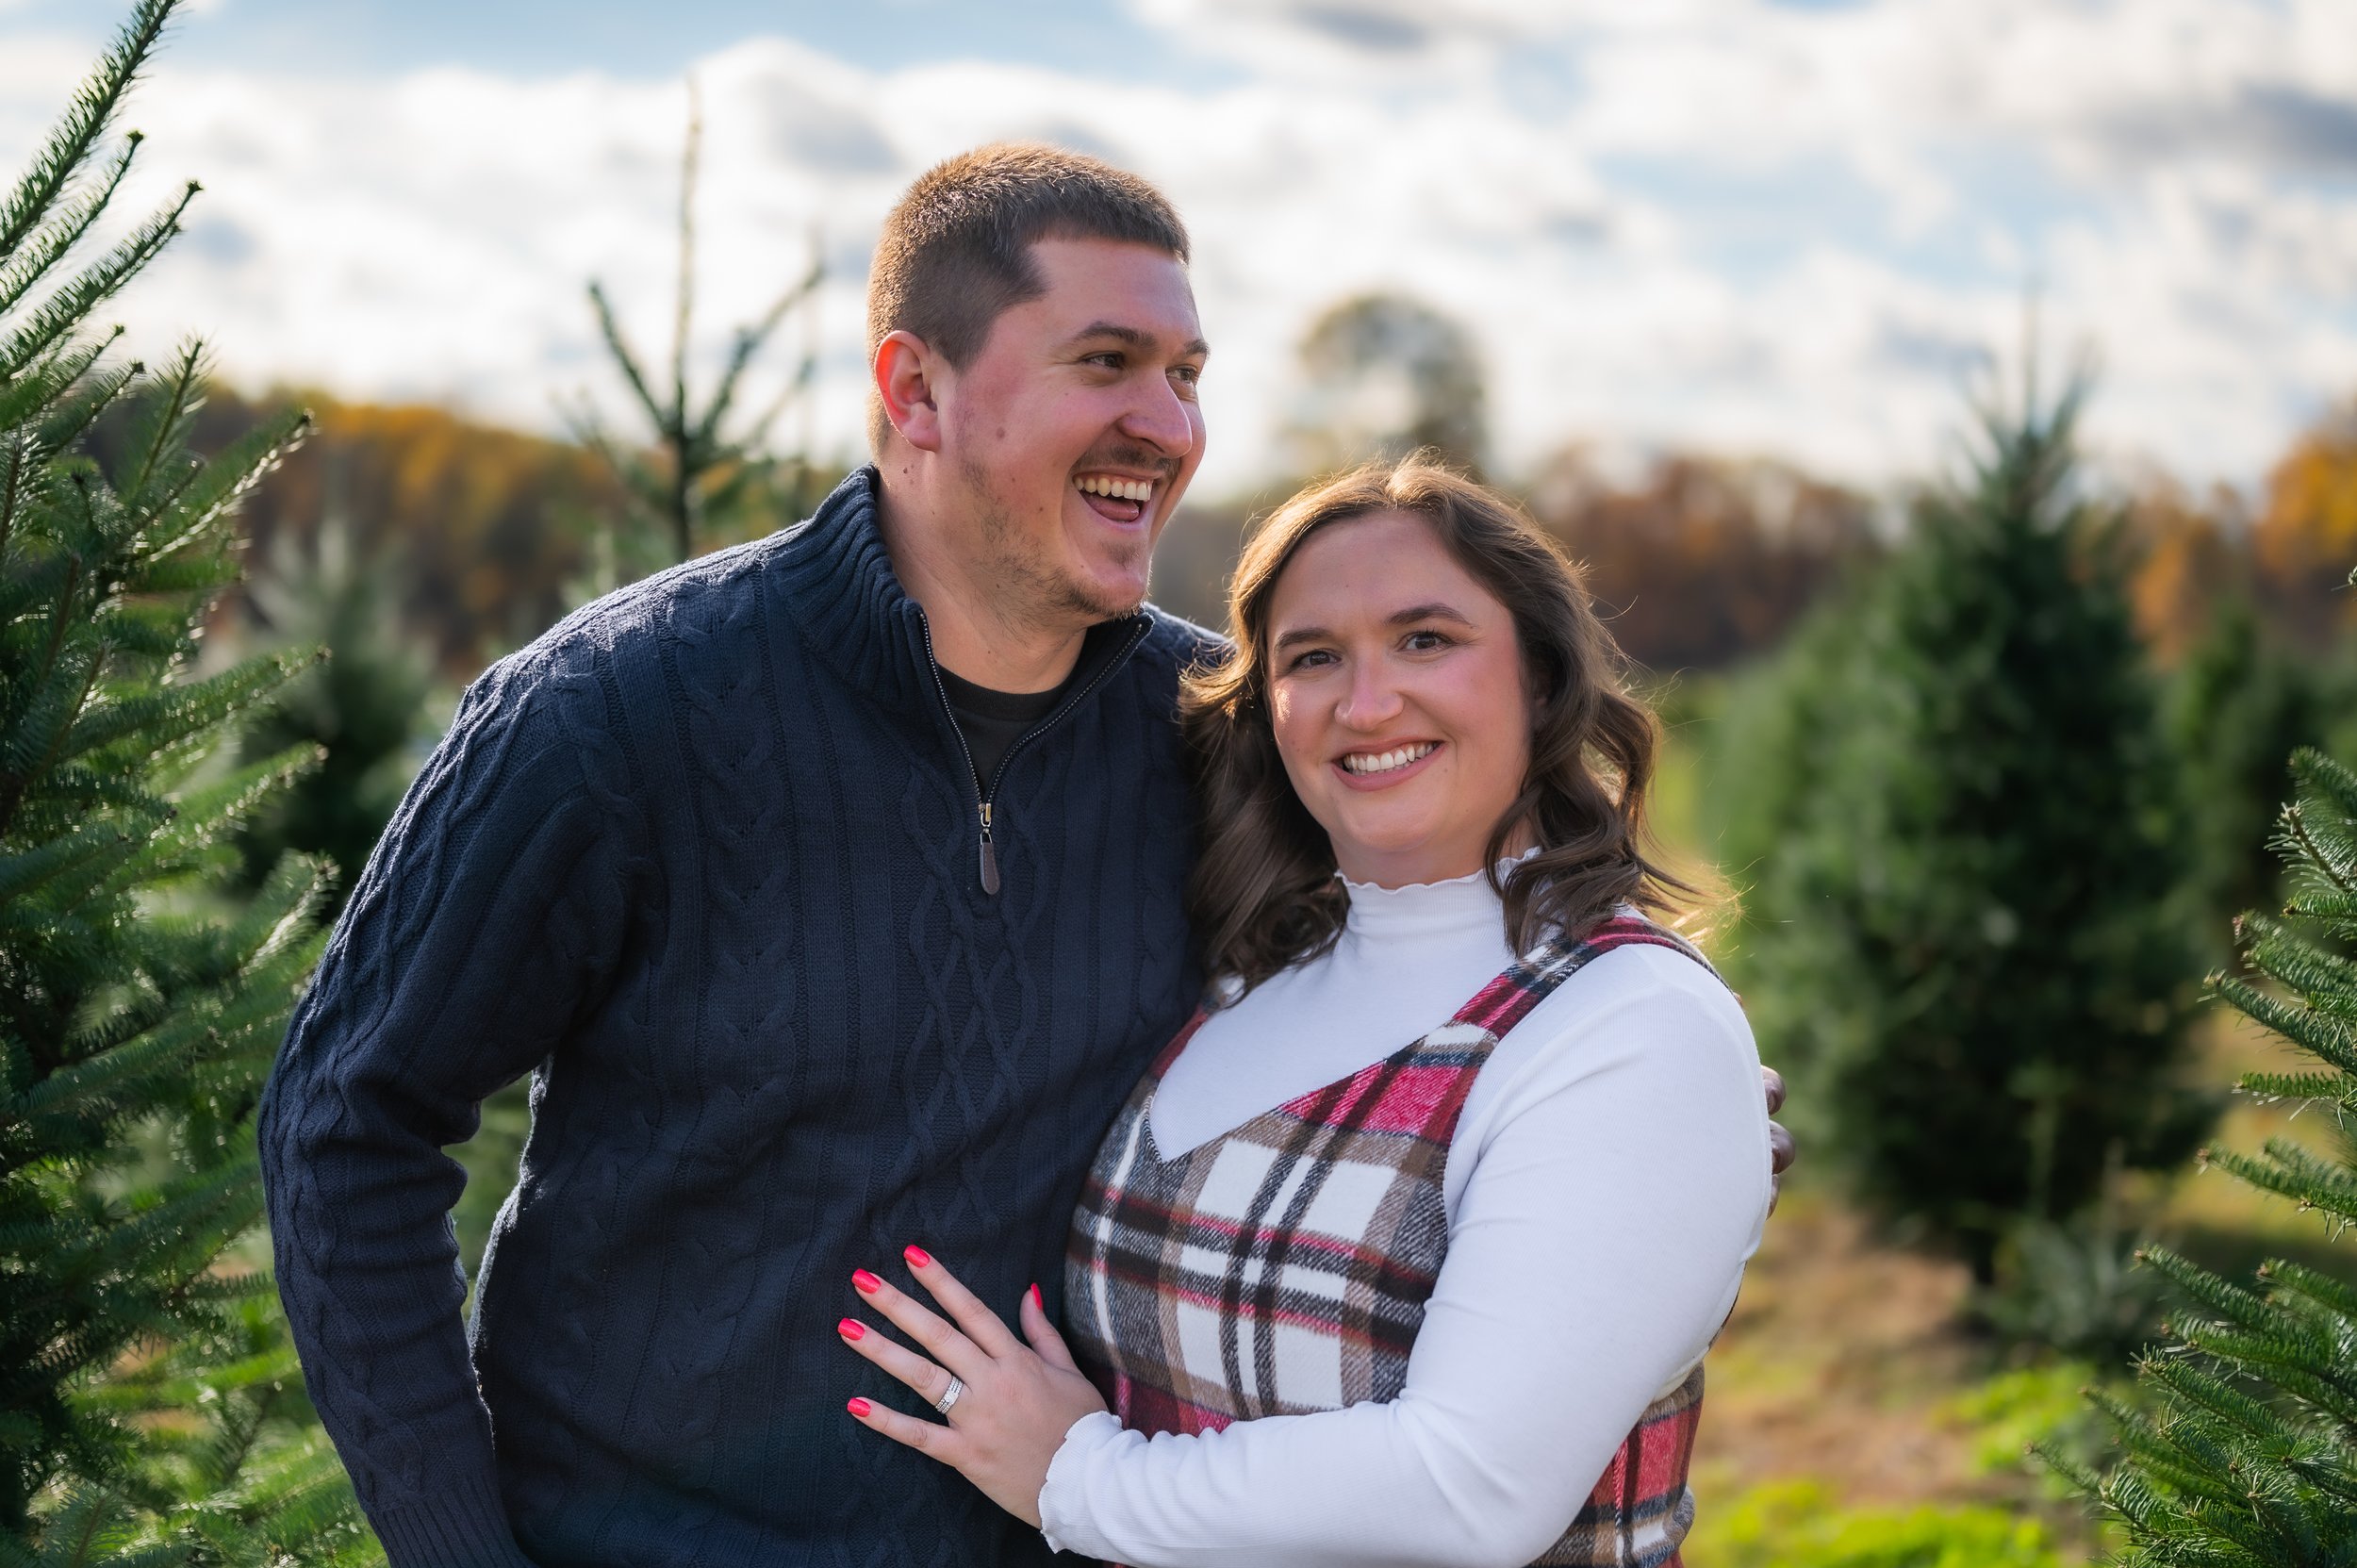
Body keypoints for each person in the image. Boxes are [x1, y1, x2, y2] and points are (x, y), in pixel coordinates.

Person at [258, 144, 1788, 1568]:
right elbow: (347, 1118)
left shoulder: (1212, 735)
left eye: (1187, 374)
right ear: (914, 391)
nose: (1169, 426)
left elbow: (1437, 933)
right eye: (1105, 362)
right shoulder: (613, 714)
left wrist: (1664, 1097)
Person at [832, 458, 1769, 1568]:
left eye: (1425, 639)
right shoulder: (1250, 975)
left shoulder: (1629, 1025)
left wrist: (1078, 1478)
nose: (1365, 704)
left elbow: (1467, 1493)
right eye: (1312, 657)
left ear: (1540, 678)